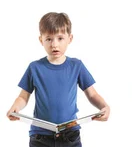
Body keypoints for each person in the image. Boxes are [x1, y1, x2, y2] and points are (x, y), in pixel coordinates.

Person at [6, 12, 110, 147]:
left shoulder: (76, 66)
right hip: (40, 137)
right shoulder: (34, 67)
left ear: (70, 38)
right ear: (41, 40)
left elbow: (92, 94)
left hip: (70, 136)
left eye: (60, 38)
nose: (54, 44)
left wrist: (104, 106)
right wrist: (15, 107)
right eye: (49, 39)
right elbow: (23, 97)